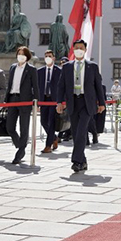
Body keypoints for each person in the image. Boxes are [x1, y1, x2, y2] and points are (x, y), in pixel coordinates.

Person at [56, 40, 105, 173]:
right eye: (76, 48)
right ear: (73, 50)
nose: (79, 50)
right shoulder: (67, 67)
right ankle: (82, 161)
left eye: (81, 48)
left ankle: (76, 161)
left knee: (82, 131)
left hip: (87, 102)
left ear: (85, 49)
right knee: (76, 132)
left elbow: (98, 86)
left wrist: (102, 103)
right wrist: (59, 102)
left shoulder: (92, 66)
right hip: (73, 102)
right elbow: (61, 86)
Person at [5, 46, 39, 164]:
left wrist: (36, 102)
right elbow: (9, 84)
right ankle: (20, 144)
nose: (21, 55)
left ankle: (20, 151)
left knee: (24, 127)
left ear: (27, 56)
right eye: (19, 53)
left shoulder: (31, 69)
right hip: (13, 98)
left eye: (23, 54)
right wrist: (6, 100)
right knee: (10, 127)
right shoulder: (13, 67)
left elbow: (36, 87)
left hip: (25, 100)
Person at [38, 50, 61, 153]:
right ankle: (54, 137)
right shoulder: (40, 71)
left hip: (54, 100)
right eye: (46, 56)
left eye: (50, 56)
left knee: (51, 122)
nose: (48, 57)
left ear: (54, 58)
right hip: (44, 100)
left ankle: (48, 145)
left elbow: (62, 87)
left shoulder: (59, 71)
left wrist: (62, 102)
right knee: (43, 121)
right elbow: (37, 87)